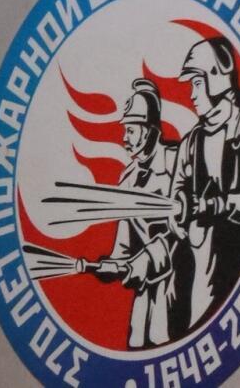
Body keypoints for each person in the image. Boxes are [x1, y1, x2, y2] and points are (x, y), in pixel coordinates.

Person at [162, 36, 240, 327]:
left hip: (238, 268)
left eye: (197, 83)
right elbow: (176, 190)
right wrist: (180, 211)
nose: (192, 94)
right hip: (196, 266)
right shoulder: (191, 141)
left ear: (216, 79)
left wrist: (238, 202)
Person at [87, 77, 180, 347]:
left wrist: (139, 263)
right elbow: (124, 247)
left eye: (130, 130)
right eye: (124, 130)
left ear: (150, 130)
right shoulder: (127, 180)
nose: (124, 138)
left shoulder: (178, 163)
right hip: (146, 291)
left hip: (178, 288)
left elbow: (184, 234)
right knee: (138, 344)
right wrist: (109, 267)